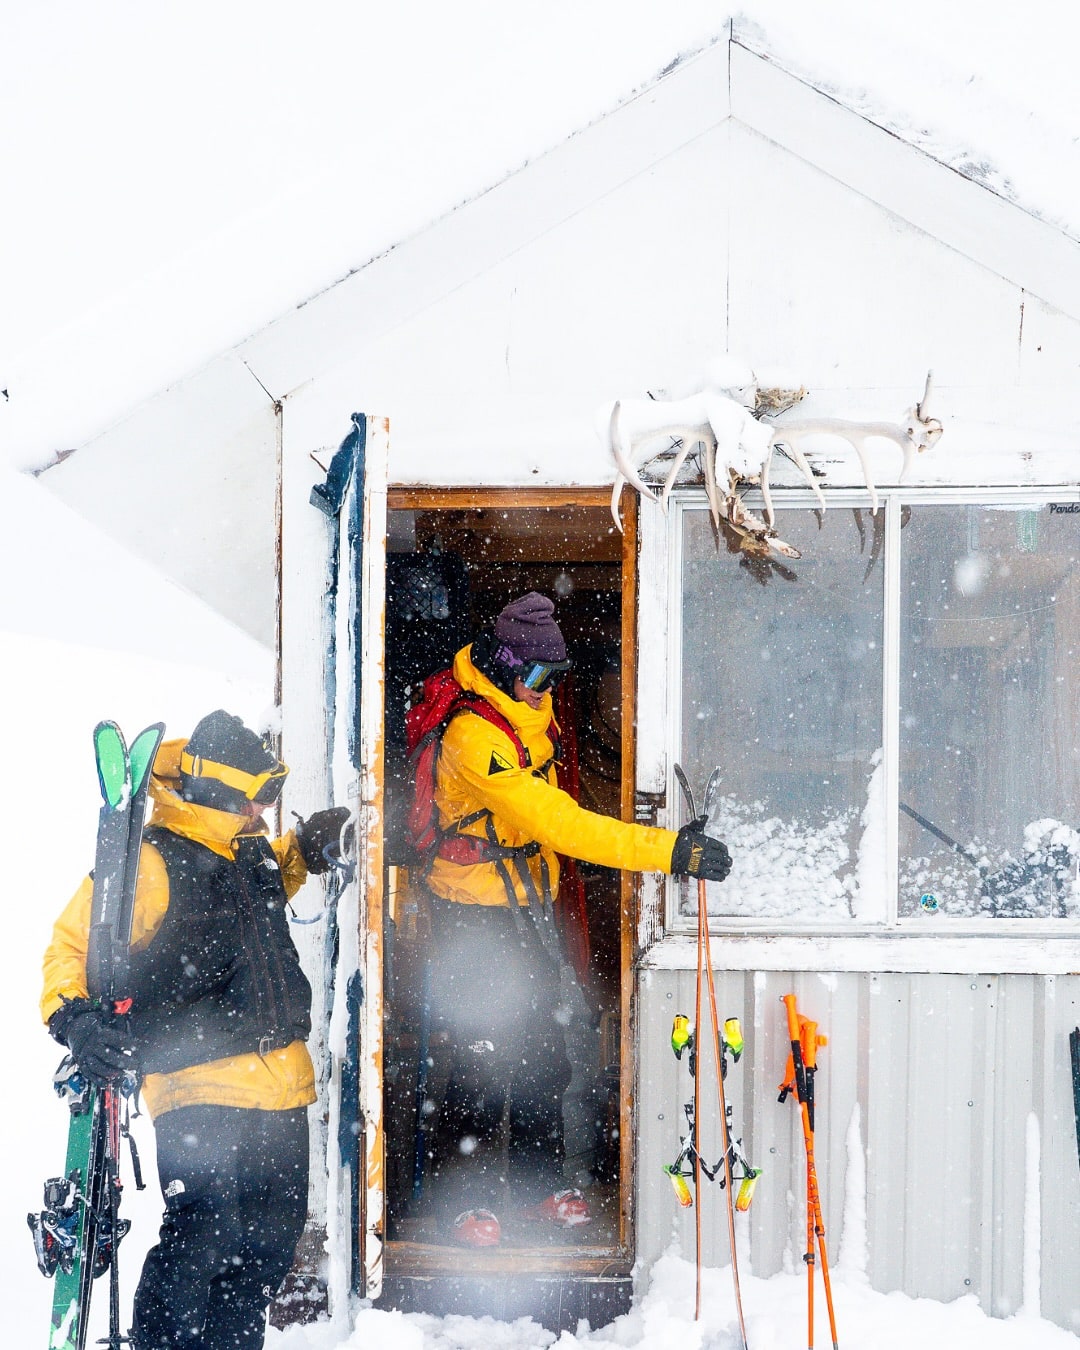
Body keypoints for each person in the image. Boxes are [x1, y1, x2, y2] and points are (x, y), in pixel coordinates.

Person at [421, 592, 731, 1246]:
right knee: (482, 1060)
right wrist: (669, 850)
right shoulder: (474, 736)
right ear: (506, 669)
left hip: (523, 910)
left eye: (553, 679)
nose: (543, 691)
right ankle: (466, 1203)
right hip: (472, 919)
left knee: (540, 1055)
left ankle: (535, 1191)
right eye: (534, 678)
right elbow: (558, 822)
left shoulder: (525, 715)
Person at [40, 711, 349, 1350]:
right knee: (204, 1239)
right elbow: (70, 946)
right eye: (257, 801)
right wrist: (75, 1019)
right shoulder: (153, 861)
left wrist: (304, 854)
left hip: (283, 1087)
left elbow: (246, 905)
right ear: (224, 797)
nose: (266, 814)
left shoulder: (246, 850)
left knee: (263, 1251)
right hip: (196, 1083)